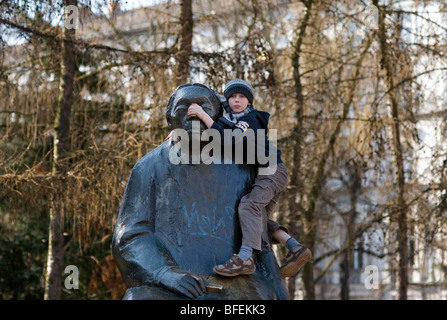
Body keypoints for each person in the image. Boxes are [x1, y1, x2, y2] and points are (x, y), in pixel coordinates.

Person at [112, 83, 289, 300]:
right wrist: (163, 273)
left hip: (236, 284)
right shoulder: (148, 167)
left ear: (218, 117)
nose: (194, 114)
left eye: (204, 108)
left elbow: (260, 244)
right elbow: (130, 235)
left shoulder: (243, 168)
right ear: (170, 120)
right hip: (168, 283)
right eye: (183, 108)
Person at [187, 78, 312, 278]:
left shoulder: (250, 119)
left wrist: (202, 115)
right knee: (257, 220)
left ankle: (245, 259)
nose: (237, 100)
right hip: (267, 173)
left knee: (248, 206)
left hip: (272, 170)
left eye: (242, 97)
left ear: (249, 101)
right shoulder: (228, 121)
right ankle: (295, 247)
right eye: (233, 97)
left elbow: (227, 140)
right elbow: (215, 134)